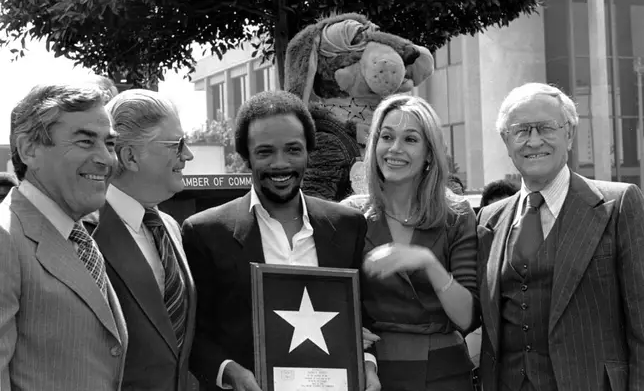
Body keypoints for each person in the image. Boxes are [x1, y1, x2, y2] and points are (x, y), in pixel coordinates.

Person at [182, 90, 380, 391]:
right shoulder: (206, 232)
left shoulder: (347, 225)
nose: (280, 163)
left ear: (308, 152)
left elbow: (361, 317)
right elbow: (194, 334)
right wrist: (231, 372)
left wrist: (368, 367)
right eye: (265, 152)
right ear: (246, 157)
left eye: (293, 149)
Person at [477, 82, 644, 391]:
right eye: (522, 130)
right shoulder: (490, 220)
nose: (534, 140)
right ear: (505, 140)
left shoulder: (619, 205)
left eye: (545, 128)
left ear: (569, 134)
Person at [342, 94, 479, 391]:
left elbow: (466, 317)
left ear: (430, 153)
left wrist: (427, 262)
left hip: (444, 374)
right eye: (387, 137)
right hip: (369, 372)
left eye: (410, 140)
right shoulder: (349, 216)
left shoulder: (457, 214)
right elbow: (337, 304)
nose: (394, 149)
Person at [0, 82, 128, 390]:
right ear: (29, 149)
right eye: (85, 141)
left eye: (108, 144)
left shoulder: (75, 232)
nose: (107, 159)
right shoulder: (5, 239)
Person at [90, 89, 197, 391]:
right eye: (177, 144)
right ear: (130, 156)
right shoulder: (84, 234)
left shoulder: (170, 228)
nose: (187, 155)